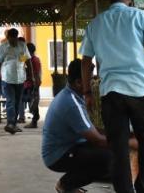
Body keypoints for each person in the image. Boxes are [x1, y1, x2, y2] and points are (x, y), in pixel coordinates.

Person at [80, 0, 144, 193]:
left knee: (118, 149)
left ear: (111, 4)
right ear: (131, 2)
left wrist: (87, 92)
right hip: (140, 87)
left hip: (112, 92)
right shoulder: (141, 16)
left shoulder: (95, 24)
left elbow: (85, 61)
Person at [42, 59, 111, 193]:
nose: (94, 83)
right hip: (57, 156)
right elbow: (96, 139)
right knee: (109, 158)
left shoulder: (74, 95)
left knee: (109, 151)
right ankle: (66, 185)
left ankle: (70, 184)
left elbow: (92, 129)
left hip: (70, 146)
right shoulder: (71, 103)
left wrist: (117, 134)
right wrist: (127, 142)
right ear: (79, 82)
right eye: (91, 80)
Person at [0, 28, 31, 134]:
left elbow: (27, 61)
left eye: (15, 39)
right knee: (10, 101)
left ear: (17, 37)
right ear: (7, 38)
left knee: (17, 102)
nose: (13, 41)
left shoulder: (22, 46)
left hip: (20, 79)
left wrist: (31, 75)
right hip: (7, 79)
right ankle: (10, 123)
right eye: (11, 39)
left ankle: (13, 125)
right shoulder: (3, 47)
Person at [24, 42, 42, 128]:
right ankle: (35, 118)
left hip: (33, 83)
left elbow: (37, 73)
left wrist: (37, 83)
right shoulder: (25, 58)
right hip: (27, 83)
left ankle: (34, 120)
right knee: (31, 101)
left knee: (33, 102)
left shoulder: (35, 60)